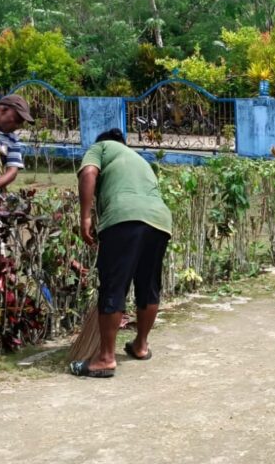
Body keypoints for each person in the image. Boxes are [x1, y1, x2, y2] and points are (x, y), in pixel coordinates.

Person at [70, 128, 173, 378]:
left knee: (113, 285)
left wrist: (85, 217)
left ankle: (105, 358)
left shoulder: (101, 147)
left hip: (124, 217)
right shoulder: (139, 160)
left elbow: (89, 173)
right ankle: (141, 345)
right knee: (149, 284)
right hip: (160, 221)